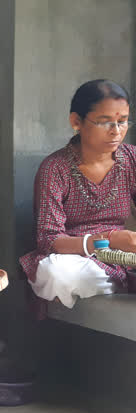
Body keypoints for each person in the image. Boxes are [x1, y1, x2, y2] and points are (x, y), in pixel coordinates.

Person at [20, 80, 136, 308]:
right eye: (104, 122)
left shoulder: (132, 159)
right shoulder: (55, 168)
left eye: (123, 122)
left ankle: (118, 279)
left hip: (119, 258)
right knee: (57, 273)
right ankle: (118, 283)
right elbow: (49, 239)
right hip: (72, 258)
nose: (116, 131)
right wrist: (108, 239)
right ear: (76, 122)